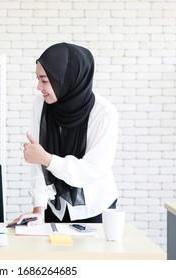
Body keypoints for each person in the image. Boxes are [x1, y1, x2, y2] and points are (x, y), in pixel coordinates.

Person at [11, 42, 119, 226]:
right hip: (56, 208)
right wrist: (39, 210)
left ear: (67, 78)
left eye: (44, 80)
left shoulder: (104, 113)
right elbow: (38, 163)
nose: (39, 87)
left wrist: (48, 159)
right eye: (38, 79)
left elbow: (93, 170)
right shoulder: (41, 105)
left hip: (95, 208)